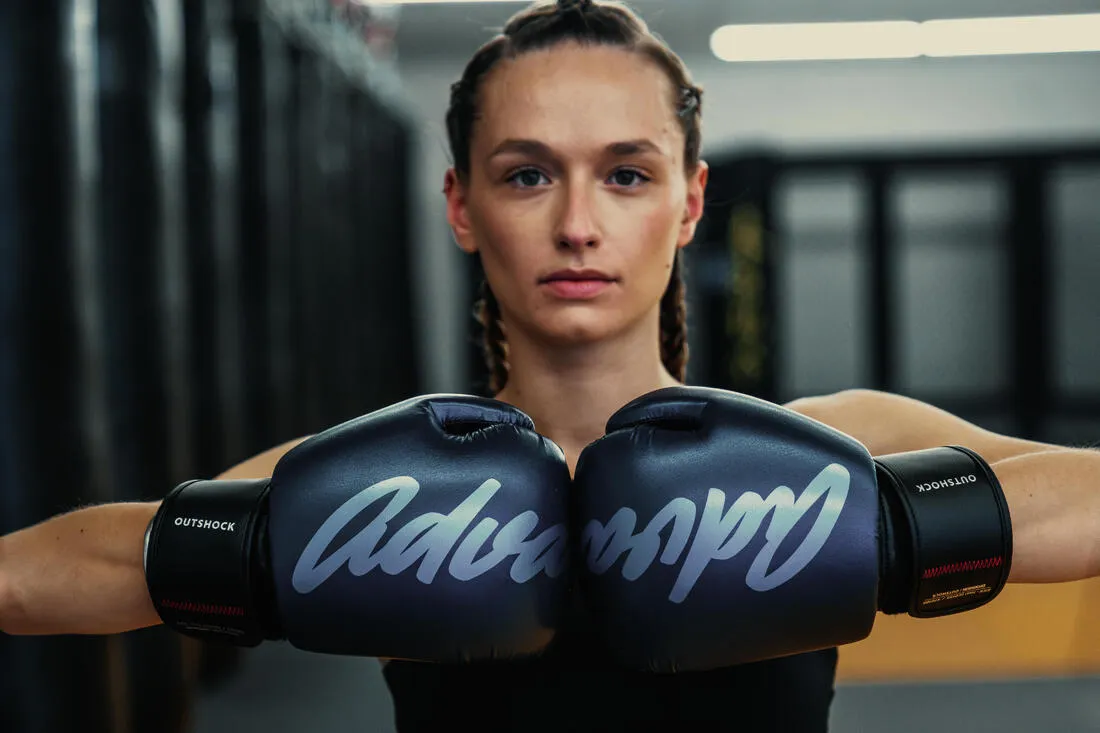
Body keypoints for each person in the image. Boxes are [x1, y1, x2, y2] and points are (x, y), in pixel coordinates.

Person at [1, 0, 1098, 730]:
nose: (577, 224)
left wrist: (882, 521)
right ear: (461, 206)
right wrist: (251, 544)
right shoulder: (378, 487)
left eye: (624, 175)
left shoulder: (831, 446)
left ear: (688, 201)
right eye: (527, 176)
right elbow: (58, 574)